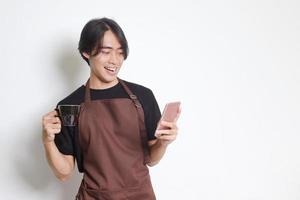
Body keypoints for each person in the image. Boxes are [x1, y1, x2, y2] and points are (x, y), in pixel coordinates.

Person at [42, 17, 180, 200]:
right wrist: (48, 141)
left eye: (120, 52)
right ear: (86, 52)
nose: (114, 60)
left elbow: (151, 159)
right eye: (106, 52)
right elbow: (64, 173)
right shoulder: (70, 106)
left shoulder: (143, 96)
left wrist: (163, 142)